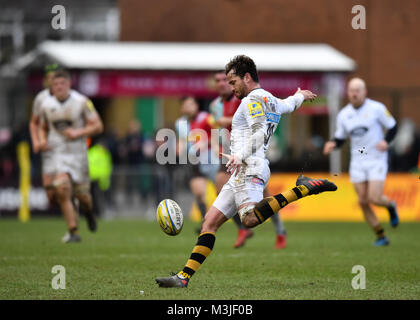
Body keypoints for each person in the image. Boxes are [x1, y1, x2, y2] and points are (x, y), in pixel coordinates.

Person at [156, 55, 337, 288]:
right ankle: (183, 278)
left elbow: (260, 132)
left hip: (249, 166)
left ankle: (304, 189)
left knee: (249, 218)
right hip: (241, 171)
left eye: (233, 82)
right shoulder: (270, 99)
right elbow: (289, 104)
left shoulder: (251, 100)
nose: (232, 88)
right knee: (209, 223)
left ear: (247, 77)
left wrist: (239, 155)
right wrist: (300, 95)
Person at [209, 70, 287, 249]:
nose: (221, 83)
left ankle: (280, 231)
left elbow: (257, 121)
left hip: (249, 152)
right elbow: (216, 127)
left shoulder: (243, 100)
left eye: (225, 80)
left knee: (265, 197)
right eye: (217, 80)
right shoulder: (214, 105)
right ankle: (242, 229)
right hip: (230, 152)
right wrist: (215, 144)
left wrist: (225, 120)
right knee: (219, 185)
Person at [323, 77, 399, 246]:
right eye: (351, 90)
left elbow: (393, 126)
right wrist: (333, 144)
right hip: (357, 161)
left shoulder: (377, 108)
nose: (354, 94)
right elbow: (341, 138)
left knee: (374, 197)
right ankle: (381, 236)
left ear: (364, 92)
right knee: (363, 201)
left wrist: (386, 141)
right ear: (348, 93)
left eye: (358, 90)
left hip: (376, 159)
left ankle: (391, 206)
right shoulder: (344, 115)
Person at [38, 70, 104, 243]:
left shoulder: (82, 102)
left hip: (78, 154)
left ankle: (89, 213)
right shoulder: (46, 105)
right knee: (62, 188)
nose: (59, 87)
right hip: (58, 153)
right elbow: (42, 126)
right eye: (56, 84)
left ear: (69, 84)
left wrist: (79, 132)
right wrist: (42, 140)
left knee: (83, 196)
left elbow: (98, 126)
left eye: (62, 83)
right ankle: (73, 231)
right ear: (52, 86)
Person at [175, 96, 218, 233]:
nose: (188, 108)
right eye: (185, 105)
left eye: (191, 104)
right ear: (182, 108)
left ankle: (240, 224)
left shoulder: (206, 117)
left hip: (210, 159)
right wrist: (179, 151)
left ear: (196, 106)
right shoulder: (180, 123)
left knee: (221, 191)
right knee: (199, 194)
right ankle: (205, 224)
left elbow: (218, 135)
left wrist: (205, 142)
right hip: (194, 161)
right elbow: (182, 141)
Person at [29, 64, 60, 208]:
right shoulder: (41, 98)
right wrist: (36, 142)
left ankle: (73, 211)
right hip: (47, 146)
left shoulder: (73, 98)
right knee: (50, 192)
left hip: (65, 148)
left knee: (65, 185)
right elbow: (34, 123)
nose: (53, 81)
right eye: (50, 77)